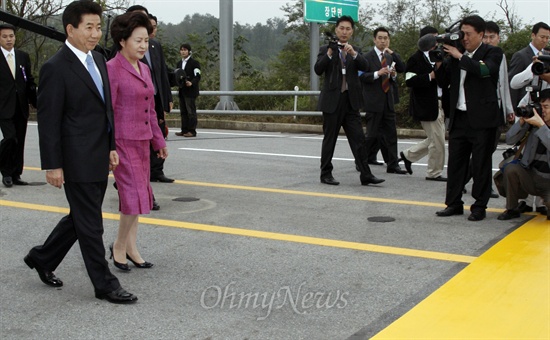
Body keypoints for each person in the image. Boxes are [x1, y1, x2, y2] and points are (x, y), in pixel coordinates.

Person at [24, 0, 137, 304]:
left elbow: (106, 109)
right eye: (89, 27)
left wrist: (111, 147)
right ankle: (105, 285)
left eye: (98, 27)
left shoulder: (98, 59)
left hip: (99, 155)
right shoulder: (55, 68)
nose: (95, 33)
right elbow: (48, 121)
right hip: (74, 159)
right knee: (91, 224)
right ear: (70, 29)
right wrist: (52, 165)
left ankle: (43, 257)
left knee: (81, 217)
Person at [107, 11, 168, 271]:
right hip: (122, 142)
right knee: (132, 196)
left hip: (143, 141)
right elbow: (106, 113)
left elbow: (151, 109)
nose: (144, 46)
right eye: (137, 40)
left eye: (146, 40)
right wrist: (107, 147)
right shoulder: (111, 69)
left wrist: (159, 141)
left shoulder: (144, 68)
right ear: (122, 41)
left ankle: (131, 247)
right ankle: (119, 246)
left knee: (141, 196)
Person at [434, 15, 503, 221]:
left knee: (481, 164)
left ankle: (479, 206)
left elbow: (484, 70)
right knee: (455, 163)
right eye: (462, 33)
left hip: (482, 120)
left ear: (481, 34)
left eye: (468, 34)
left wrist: (459, 56)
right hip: (459, 117)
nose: (464, 38)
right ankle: (453, 203)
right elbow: (443, 80)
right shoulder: (457, 54)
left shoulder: (493, 52)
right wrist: (439, 60)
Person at [314, 15, 384, 186]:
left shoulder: (356, 50)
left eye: (348, 29)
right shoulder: (326, 49)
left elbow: (366, 66)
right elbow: (318, 69)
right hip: (332, 102)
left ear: (352, 32)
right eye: (341, 28)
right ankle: (326, 174)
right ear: (336, 29)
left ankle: (365, 174)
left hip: (351, 101)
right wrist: (330, 53)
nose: (344, 32)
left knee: (359, 139)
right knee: (330, 139)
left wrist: (353, 54)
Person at [126, 5, 174, 185]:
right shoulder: (121, 47)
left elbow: (162, 74)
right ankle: (137, 179)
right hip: (134, 104)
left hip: (154, 97)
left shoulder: (154, 45)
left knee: (159, 134)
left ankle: (156, 171)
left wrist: (167, 98)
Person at [399, 26, 446, 181]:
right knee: (437, 140)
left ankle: (408, 155)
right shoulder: (415, 59)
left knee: (435, 138)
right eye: (433, 38)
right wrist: (429, 76)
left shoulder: (440, 56)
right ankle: (434, 172)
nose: (436, 41)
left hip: (440, 103)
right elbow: (409, 80)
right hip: (426, 105)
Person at [360, 27, 407, 175]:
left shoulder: (390, 57)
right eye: (380, 38)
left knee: (391, 134)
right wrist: (377, 73)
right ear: (374, 39)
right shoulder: (366, 57)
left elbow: (402, 68)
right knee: (371, 135)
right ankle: (360, 161)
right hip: (373, 101)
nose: (383, 41)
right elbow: (361, 76)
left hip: (388, 99)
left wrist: (392, 75)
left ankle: (393, 164)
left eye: (385, 38)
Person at [497, 88, 550, 221]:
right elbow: (509, 139)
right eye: (541, 106)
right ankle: (512, 208)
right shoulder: (533, 124)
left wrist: (542, 126)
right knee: (511, 168)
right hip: (532, 176)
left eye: (546, 107)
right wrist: (521, 122)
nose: (542, 111)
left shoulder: (539, 124)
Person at [510, 53, 550, 215]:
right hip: (535, 109)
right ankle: (522, 203)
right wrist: (534, 70)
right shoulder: (535, 69)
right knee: (526, 158)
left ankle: (543, 202)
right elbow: (514, 83)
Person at [0, 23, 36, 188]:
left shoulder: (22, 56)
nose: (9, 39)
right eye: (5, 36)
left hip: (20, 106)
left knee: (19, 141)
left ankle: (16, 174)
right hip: (3, 107)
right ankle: (6, 172)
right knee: (10, 139)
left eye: (11, 36)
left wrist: (36, 102)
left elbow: (29, 81)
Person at [508, 22, 550, 108]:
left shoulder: (547, 57)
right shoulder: (520, 55)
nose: (544, 40)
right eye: (542, 37)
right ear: (533, 35)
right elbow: (512, 84)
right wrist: (513, 109)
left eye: (547, 38)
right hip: (525, 105)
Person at [175, 43, 201, 137]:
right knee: (183, 111)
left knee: (191, 112)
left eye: (185, 50)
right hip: (182, 90)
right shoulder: (179, 63)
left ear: (189, 51)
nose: (183, 51)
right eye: (181, 50)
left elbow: (198, 75)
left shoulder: (194, 63)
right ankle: (184, 130)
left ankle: (192, 130)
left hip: (191, 91)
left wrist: (192, 83)